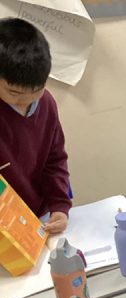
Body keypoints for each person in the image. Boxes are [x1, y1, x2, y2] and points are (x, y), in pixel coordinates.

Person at [0, 18, 70, 234]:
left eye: (37, 90)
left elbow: (54, 160)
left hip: (38, 215)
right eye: (14, 93)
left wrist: (60, 206)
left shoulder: (46, 103)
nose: (26, 101)